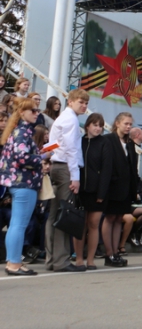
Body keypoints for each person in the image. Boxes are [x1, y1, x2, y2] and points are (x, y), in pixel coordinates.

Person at [0, 98, 51, 275]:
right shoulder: (22, 132)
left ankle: (13, 261)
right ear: (23, 113)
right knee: (18, 225)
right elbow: (22, 158)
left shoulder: (18, 131)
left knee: (17, 224)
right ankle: (13, 263)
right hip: (23, 182)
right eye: (34, 111)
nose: (37, 113)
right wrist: (43, 157)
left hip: (19, 182)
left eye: (37, 111)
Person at [46, 89, 89, 272]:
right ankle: (61, 261)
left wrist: (47, 155)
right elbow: (71, 149)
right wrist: (75, 177)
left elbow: (53, 144)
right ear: (70, 101)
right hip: (65, 168)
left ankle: (51, 260)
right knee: (65, 214)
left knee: (54, 215)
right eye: (81, 102)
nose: (84, 105)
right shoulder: (70, 119)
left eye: (86, 103)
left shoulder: (61, 118)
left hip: (57, 165)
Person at [99, 113, 138, 267]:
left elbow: (132, 167)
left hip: (125, 188)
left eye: (130, 124)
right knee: (109, 218)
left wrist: (134, 189)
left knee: (118, 219)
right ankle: (109, 253)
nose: (128, 127)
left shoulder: (130, 143)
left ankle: (115, 252)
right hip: (112, 187)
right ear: (117, 123)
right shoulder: (108, 140)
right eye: (126, 124)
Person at [76, 113, 107, 270]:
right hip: (79, 189)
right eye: (95, 125)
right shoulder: (79, 142)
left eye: (100, 125)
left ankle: (91, 259)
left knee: (93, 224)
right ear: (87, 126)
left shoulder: (104, 143)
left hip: (96, 191)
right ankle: (79, 258)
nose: (98, 128)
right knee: (80, 225)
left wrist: (102, 193)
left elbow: (106, 170)